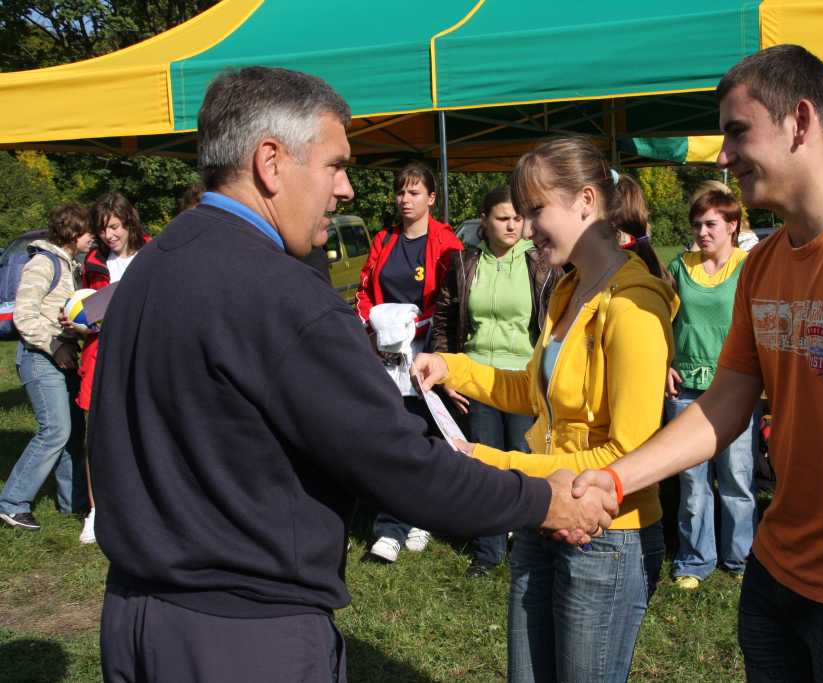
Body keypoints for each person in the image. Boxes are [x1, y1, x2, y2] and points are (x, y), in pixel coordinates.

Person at [90, 66, 615, 682]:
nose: (346, 191)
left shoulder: (148, 270)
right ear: (270, 161)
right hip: (245, 638)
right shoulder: (286, 296)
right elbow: (400, 465)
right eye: (335, 165)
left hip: (133, 620)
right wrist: (542, 500)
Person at [569, 45, 823, 683]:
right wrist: (616, 479)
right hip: (776, 572)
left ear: (800, 122)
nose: (723, 155)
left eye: (737, 132)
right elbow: (725, 404)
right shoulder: (763, 262)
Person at [415, 136, 677, 682]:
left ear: (585, 200)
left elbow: (627, 453)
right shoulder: (567, 290)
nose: (528, 228)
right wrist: (452, 368)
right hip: (544, 513)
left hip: (607, 534)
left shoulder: (633, 306)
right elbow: (535, 394)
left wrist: (493, 463)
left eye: (537, 211)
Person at [432, 185, 561, 577]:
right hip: (476, 379)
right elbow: (444, 320)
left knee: (524, 464)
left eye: (518, 218)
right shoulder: (464, 263)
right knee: (484, 467)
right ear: (484, 221)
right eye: (503, 217)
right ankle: (488, 551)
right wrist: (448, 371)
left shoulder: (543, 264)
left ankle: (526, 545)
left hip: (524, 379)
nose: (512, 224)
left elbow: (556, 325)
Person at [355, 161, 463, 563]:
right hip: (386, 355)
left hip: (425, 353)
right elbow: (366, 289)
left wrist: (419, 328)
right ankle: (390, 527)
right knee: (391, 434)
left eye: (414, 192)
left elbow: (450, 300)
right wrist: (373, 323)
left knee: (424, 436)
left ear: (431, 198)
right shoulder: (383, 240)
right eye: (401, 192)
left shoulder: (447, 243)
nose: (405, 200)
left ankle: (419, 516)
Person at [664, 187, 758, 590]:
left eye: (711, 224)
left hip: (734, 386)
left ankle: (741, 558)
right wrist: (664, 362)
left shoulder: (749, 266)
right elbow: (658, 320)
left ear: (733, 225)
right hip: (685, 387)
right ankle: (694, 559)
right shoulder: (679, 267)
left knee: (737, 475)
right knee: (691, 478)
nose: (702, 232)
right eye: (697, 225)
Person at [0, 204, 93, 531]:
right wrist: (55, 347)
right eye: (88, 231)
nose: (93, 237)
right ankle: (12, 503)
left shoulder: (70, 265)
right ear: (72, 232)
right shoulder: (42, 264)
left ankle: (74, 504)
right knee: (55, 431)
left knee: (73, 434)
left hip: (62, 357)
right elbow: (23, 316)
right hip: (40, 359)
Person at [75, 192, 149, 545]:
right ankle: (96, 510)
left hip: (145, 350)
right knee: (97, 432)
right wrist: (76, 320)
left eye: (115, 227)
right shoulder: (92, 262)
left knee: (144, 428)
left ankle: (143, 505)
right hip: (101, 351)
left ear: (129, 222)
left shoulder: (153, 252)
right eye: (103, 229)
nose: (109, 235)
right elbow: (86, 307)